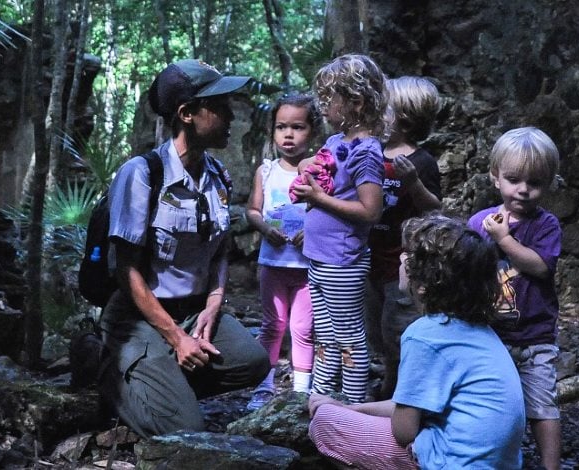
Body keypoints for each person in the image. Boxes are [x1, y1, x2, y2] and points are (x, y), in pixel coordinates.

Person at [97, 59, 270, 437]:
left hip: (194, 311)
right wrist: (176, 337)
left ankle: (160, 384)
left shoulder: (216, 175)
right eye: (219, 107)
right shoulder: (142, 174)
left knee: (254, 363)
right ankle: (112, 376)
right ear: (187, 113)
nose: (230, 117)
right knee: (184, 428)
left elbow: (221, 249)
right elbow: (125, 271)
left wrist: (214, 301)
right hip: (140, 319)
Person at [308, 215, 526, 470]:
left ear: (423, 285)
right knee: (340, 413)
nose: (400, 260)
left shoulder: (424, 335)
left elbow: (403, 430)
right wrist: (352, 408)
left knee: (324, 421)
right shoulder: (477, 329)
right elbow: (411, 404)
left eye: (406, 256)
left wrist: (339, 412)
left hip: (451, 462)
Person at [290, 54, 386, 403]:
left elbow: (370, 209)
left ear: (356, 103)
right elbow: (325, 180)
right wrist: (307, 171)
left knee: (350, 337)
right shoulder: (336, 143)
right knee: (326, 334)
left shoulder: (366, 152)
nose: (323, 108)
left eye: (330, 100)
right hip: (319, 257)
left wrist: (318, 198)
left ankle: (354, 404)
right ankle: (321, 396)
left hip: (342, 261)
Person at [467, 127, 563, 470]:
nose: (523, 189)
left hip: (535, 337)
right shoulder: (480, 223)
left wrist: (505, 241)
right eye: (513, 179)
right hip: (492, 336)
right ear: (496, 178)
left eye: (534, 181)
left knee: (541, 405)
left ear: (549, 182)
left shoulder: (546, 225)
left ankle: (551, 466)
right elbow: (468, 270)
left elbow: (540, 267)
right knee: (494, 404)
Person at [365, 76, 442, 400]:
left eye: (386, 109)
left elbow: (434, 208)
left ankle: (398, 390)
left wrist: (413, 182)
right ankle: (383, 378)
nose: (378, 113)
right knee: (373, 327)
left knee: (399, 328)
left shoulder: (421, 162)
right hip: (367, 258)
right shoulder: (370, 152)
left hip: (400, 264)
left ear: (406, 119)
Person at [244, 94, 320, 410]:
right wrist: (264, 229)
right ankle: (263, 386)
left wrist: (313, 230)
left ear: (313, 131)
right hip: (273, 261)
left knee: (303, 327)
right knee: (273, 324)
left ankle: (302, 391)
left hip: (307, 265)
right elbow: (252, 209)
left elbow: (327, 209)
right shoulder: (267, 171)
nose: (288, 135)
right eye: (281, 127)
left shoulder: (320, 170)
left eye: (297, 127)